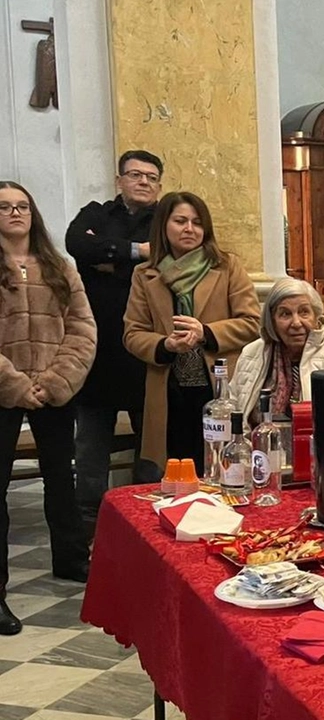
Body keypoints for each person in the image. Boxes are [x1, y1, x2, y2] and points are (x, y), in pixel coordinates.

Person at [0, 182, 96, 635]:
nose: (14, 213)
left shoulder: (60, 267)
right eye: (4, 207)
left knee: (62, 476)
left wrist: (57, 379)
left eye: (21, 206)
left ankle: (71, 560)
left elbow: (82, 327)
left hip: (55, 389)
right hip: (3, 391)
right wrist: (16, 385)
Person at [123, 192, 259, 477]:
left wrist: (205, 332)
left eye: (197, 222)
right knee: (174, 474)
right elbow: (133, 333)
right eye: (180, 221)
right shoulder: (144, 274)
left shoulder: (226, 266)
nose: (189, 229)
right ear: (164, 226)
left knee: (222, 469)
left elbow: (251, 322)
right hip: (169, 390)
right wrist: (165, 344)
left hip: (219, 386)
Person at [65, 149, 163, 528]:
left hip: (146, 347)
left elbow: (170, 262)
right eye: (135, 175)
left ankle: (144, 519)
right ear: (119, 180)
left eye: (151, 177)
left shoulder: (165, 219)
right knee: (91, 445)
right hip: (98, 347)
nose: (143, 182)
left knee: (151, 443)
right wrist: (138, 253)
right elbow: (78, 244)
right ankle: (88, 522)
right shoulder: (96, 214)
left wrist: (110, 261)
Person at [228, 277, 324, 424]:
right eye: (285, 314)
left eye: (304, 312)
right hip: (257, 444)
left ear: (316, 316)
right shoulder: (251, 353)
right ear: (272, 320)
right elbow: (232, 408)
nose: (296, 323)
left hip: (317, 445)